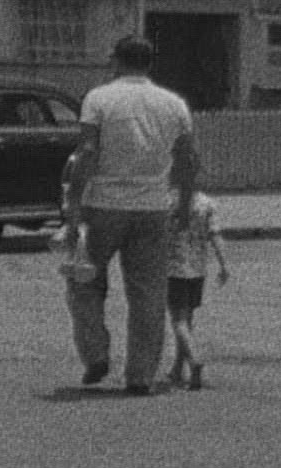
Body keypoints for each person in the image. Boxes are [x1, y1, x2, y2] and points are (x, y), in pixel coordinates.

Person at [62, 35, 199, 396]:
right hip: (153, 207)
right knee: (148, 293)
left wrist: (73, 206)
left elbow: (87, 152)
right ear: (150, 63)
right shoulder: (174, 104)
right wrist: (185, 206)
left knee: (84, 281)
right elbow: (188, 159)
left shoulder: (99, 99)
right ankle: (140, 375)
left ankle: (95, 353)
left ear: (116, 60)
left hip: (103, 204)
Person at [165, 190, 230, 391]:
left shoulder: (168, 201)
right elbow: (215, 235)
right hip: (198, 268)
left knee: (178, 320)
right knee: (188, 319)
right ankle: (177, 368)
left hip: (173, 268)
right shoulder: (206, 203)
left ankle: (193, 360)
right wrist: (224, 264)